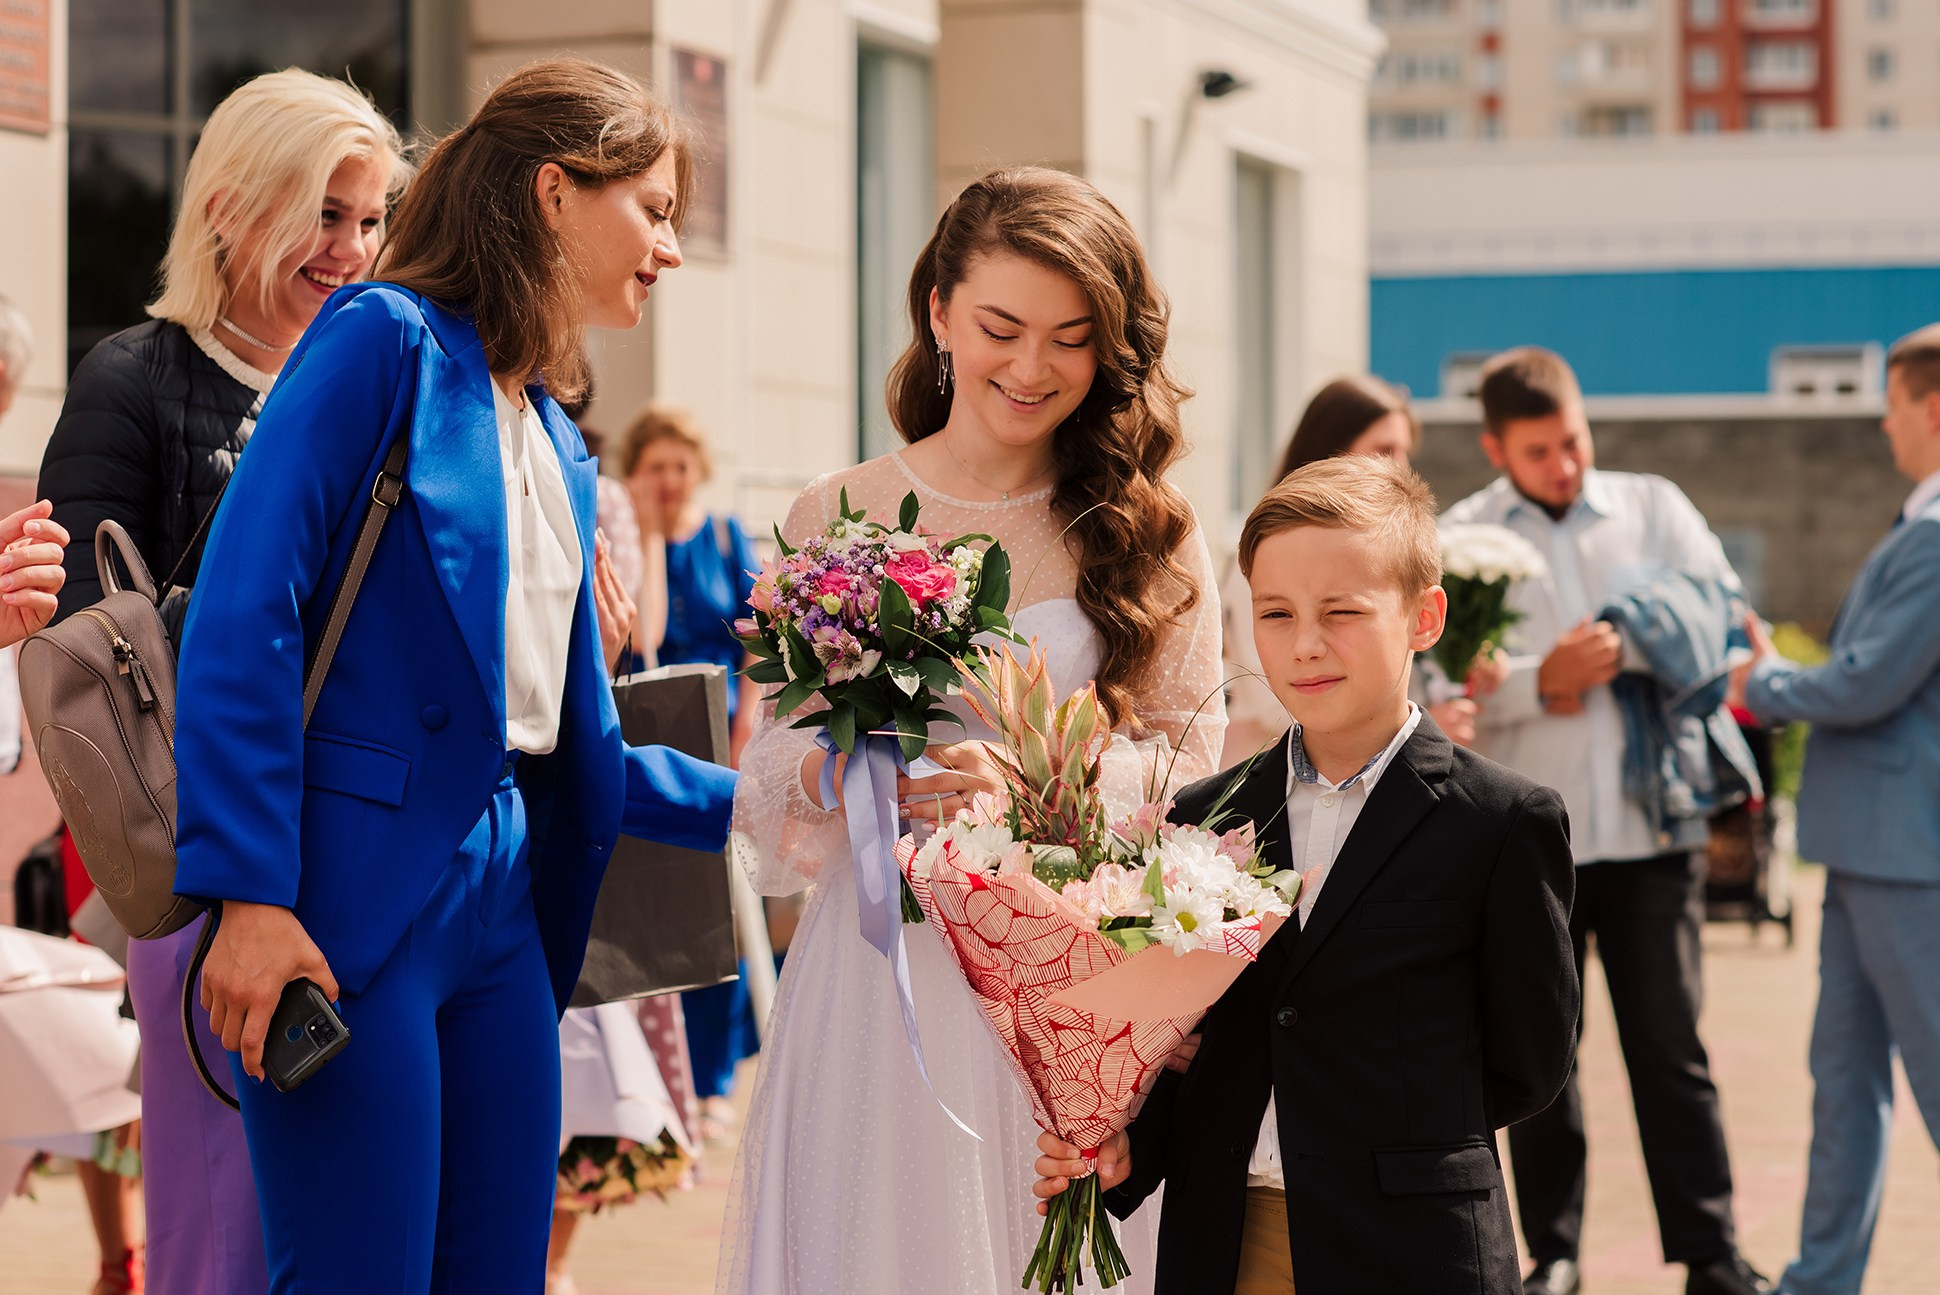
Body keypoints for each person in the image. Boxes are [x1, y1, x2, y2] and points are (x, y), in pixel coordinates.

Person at [168, 59, 737, 1292]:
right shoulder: (383, 338)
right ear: (551, 191)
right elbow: (242, 605)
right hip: (340, 905)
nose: (670, 248)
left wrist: (786, 797)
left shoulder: (561, 440)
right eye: (652, 207)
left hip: (504, 905)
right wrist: (251, 896)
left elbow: (561, 737)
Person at [718, 166, 1225, 1295]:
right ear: (937, 311)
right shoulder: (832, 510)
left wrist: (1046, 784)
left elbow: (1197, 773)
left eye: (1071, 337)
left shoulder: (1149, 529)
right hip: (874, 983)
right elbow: (763, 776)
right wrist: (861, 772)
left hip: (1062, 978)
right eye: (1001, 327)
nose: (1031, 367)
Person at [31, 71, 408, 1295]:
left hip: (376, 853)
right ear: (233, 209)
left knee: (363, 1211)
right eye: (324, 213)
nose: (351, 248)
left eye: (371, 217)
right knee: (223, 1219)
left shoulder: (392, 383)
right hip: (206, 857)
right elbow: (85, 645)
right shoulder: (135, 378)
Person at [1035, 455, 1578, 1292]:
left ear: (1425, 616)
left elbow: (1530, 1062)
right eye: (1276, 613)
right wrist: (1125, 1150)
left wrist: (1379, 1134)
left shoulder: (1501, 821)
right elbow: (1191, 1049)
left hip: (1413, 1247)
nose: (1305, 644)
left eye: (1343, 612)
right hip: (1227, 1239)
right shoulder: (1203, 814)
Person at [1442, 347, 1770, 1295]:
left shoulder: (1656, 505)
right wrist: (1542, 680)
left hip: (1652, 833)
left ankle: (1709, 1252)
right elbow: (1431, 679)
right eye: (1541, 450)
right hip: (1530, 853)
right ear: (1498, 445)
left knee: (1673, 1049)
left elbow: (1725, 612)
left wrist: (1634, 643)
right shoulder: (1459, 536)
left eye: (1575, 441)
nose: (1566, 465)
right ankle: (1557, 1254)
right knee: (1545, 1057)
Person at [1733, 324, 1940, 1295]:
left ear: (1928, 407)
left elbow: (1863, 684)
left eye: (1891, 405)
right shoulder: (1917, 525)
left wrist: (1762, 679)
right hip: (1864, 850)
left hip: (1906, 853)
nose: (1884, 425)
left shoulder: (1936, 536)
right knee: (1842, 1083)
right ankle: (1819, 1280)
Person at [1221, 375, 1499, 764]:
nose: (1401, 465)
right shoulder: (1264, 555)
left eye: (1405, 450)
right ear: (1330, 451)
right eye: (1384, 449)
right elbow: (1281, 704)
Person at [618, 404, 761, 1135]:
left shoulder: (730, 537)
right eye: (655, 468)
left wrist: (746, 733)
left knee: (724, 916)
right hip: (653, 745)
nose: (669, 481)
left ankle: (715, 1077)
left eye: (679, 466)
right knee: (661, 917)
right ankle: (660, 1083)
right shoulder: (629, 542)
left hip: (721, 741)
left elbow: (761, 649)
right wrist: (643, 531)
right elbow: (639, 641)